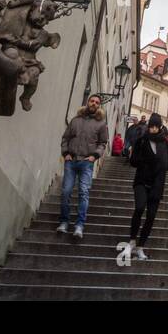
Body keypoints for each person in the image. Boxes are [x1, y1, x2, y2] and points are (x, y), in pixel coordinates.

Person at [119, 112, 168, 260]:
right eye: (151, 126)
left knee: (151, 216)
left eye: (156, 127)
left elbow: (167, 164)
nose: (153, 129)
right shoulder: (142, 140)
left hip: (157, 184)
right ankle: (132, 241)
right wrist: (144, 159)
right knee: (140, 207)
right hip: (142, 180)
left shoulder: (164, 142)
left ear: (160, 127)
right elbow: (134, 161)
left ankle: (140, 247)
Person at [58, 95, 108, 238]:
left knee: (83, 192)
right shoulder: (75, 120)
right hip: (71, 160)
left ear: (99, 106)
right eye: (92, 101)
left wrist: (94, 156)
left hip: (87, 162)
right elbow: (65, 138)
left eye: (97, 103)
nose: (94, 104)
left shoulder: (101, 124)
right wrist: (66, 153)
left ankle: (79, 225)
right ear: (88, 102)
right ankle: (64, 222)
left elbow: (103, 143)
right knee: (66, 191)